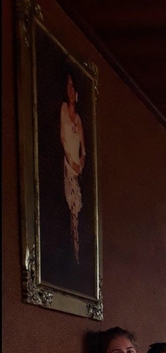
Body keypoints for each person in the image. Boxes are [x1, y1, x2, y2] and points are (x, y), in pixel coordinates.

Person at [60, 72, 86, 264]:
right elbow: (63, 138)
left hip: (77, 169)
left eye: (72, 86)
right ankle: (72, 254)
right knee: (70, 207)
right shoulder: (63, 110)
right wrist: (72, 162)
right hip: (69, 166)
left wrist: (80, 165)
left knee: (77, 210)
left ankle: (77, 255)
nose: (70, 90)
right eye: (67, 86)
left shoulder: (79, 119)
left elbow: (83, 150)